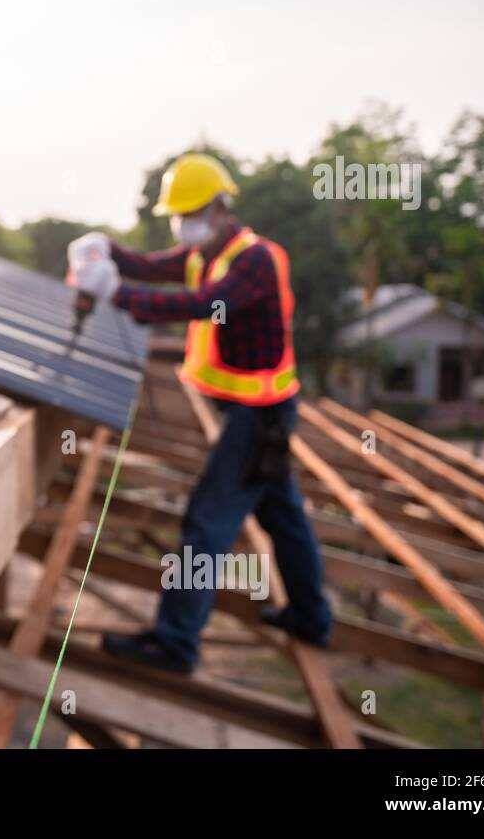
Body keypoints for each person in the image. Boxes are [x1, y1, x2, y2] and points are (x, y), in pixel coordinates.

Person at [68, 153, 332, 673]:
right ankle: (312, 617)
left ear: (217, 209)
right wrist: (106, 251)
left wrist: (118, 294)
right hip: (259, 414)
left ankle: (176, 642)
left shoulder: (254, 259)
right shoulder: (203, 253)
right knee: (285, 519)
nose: (179, 224)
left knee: (206, 524)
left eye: (185, 213)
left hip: (259, 416)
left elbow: (205, 304)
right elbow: (149, 266)